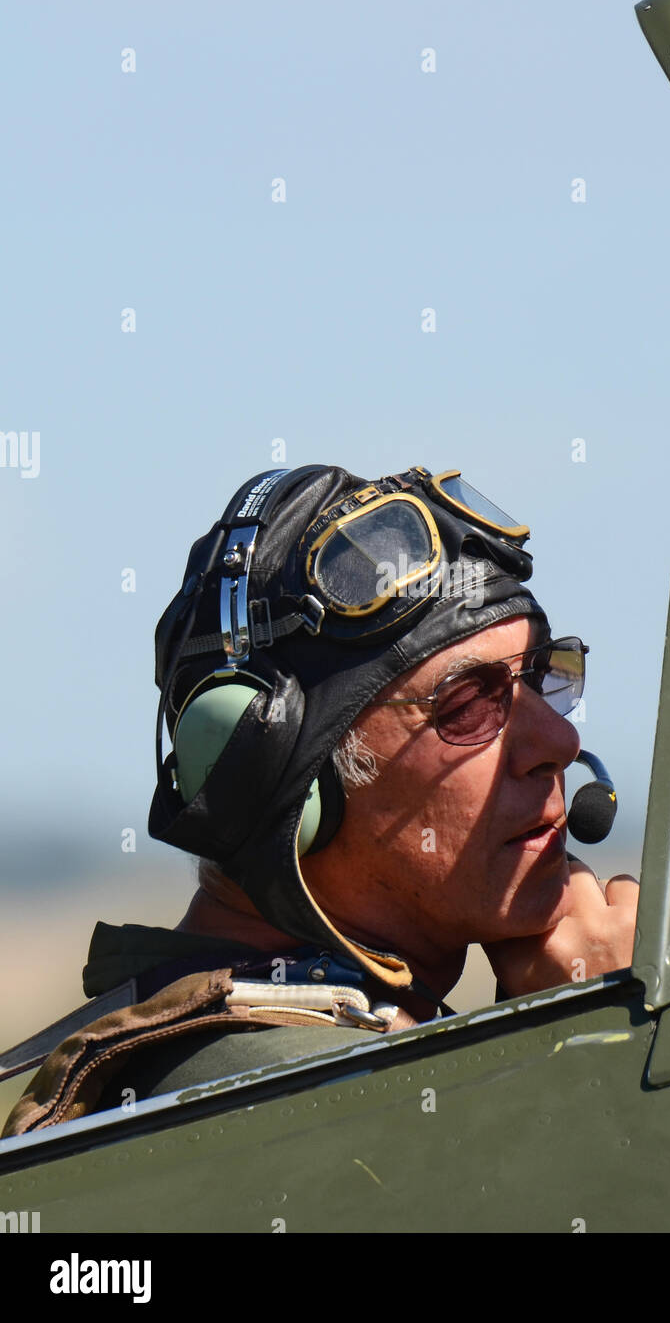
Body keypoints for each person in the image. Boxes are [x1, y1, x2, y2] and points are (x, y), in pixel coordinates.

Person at [2, 463, 637, 1136]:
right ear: (280, 778)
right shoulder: (281, 1104)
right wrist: (591, 1050)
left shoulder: (356, 1061)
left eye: (540, 676)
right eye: (470, 703)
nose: (558, 739)